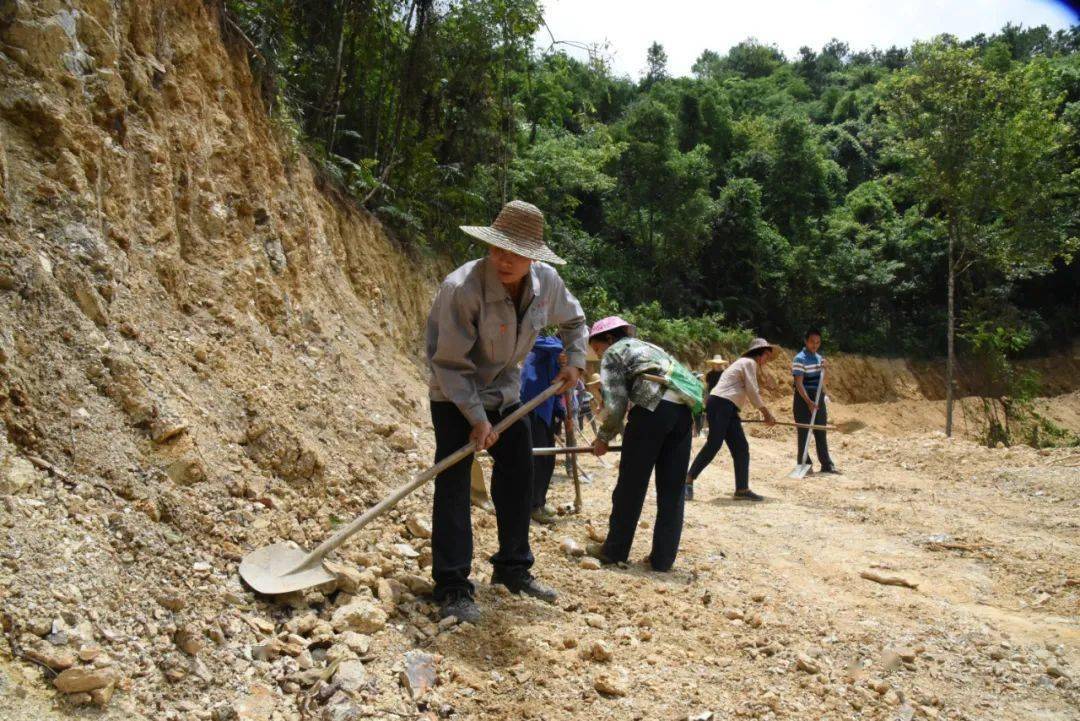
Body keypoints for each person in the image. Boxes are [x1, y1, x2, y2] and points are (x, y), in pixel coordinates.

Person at [426, 200, 586, 623]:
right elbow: (449, 364)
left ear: (534, 255)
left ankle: (513, 569)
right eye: (499, 249)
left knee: (518, 472)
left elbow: (575, 320)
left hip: (506, 392)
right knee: (454, 482)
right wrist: (476, 419)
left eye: (515, 252)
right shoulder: (462, 288)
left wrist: (576, 359)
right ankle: (452, 585)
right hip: (454, 393)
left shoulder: (546, 282)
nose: (504, 259)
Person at [586, 316, 701, 572]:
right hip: (682, 412)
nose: (598, 354)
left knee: (631, 485)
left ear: (608, 338)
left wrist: (603, 437)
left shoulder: (615, 352)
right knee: (672, 491)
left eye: (597, 348)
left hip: (651, 411)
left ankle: (614, 550)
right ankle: (663, 560)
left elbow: (616, 402)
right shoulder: (652, 348)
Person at [685, 338, 777, 502]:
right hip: (722, 403)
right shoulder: (749, 363)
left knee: (741, 447)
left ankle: (742, 489)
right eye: (767, 357)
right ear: (760, 354)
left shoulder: (745, 363)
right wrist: (766, 413)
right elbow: (752, 390)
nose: (767, 361)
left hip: (727, 406)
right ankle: (688, 479)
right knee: (714, 444)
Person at [520, 335, 566, 524]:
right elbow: (529, 340)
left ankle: (539, 501)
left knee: (548, 458)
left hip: (546, 412)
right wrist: (565, 350)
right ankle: (530, 505)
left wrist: (560, 411)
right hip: (531, 408)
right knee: (536, 459)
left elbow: (556, 387)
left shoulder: (561, 361)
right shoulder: (545, 345)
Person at [792, 328, 840, 474]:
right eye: (812, 342)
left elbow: (824, 381)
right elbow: (799, 384)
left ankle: (826, 464)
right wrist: (808, 402)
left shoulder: (820, 358)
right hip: (803, 399)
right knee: (804, 432)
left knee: (821, 431)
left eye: (818, 342)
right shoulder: (799, 359)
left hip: (818, 397)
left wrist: (825, 369)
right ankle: (804, 464)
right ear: (806, 341)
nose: (815, 345)